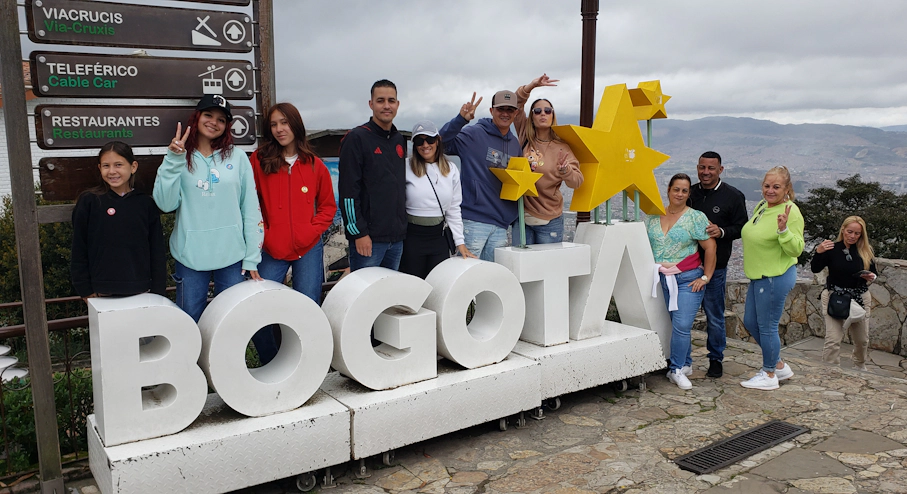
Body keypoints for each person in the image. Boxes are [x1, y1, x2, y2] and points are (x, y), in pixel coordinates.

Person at [153, 94, 263, 325]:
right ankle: (191, 363)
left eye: (221, 119)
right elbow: (165, 203)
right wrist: (174, 159)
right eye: (208, 115)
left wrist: (252, 257)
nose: (214, 122)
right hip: (190, 255)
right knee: (189, 320)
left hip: (232, 256)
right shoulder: (179, 156)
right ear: (197, 117)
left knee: (230, 321)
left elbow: (250, 208)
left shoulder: (238, 157)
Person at [251, 103, 336, 364]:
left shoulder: (315, 165)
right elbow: (249, 204)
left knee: (308, 308)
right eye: (274, 124)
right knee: (259, 309)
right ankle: (273, 362)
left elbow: (328, 207)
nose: (279, 129)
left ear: (296, 125)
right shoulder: (258, 160)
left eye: (284, 123)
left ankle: (305, 363)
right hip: (270, 249)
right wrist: (264, 233)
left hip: (308, 248)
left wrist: (310, 231)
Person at [645, 173, 716, 390]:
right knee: (675, 325)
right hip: (661, 280)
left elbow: (710, 247)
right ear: (668, 190)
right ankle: (685, 363)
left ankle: (675, 369)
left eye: (685, 190)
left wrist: (706, 277)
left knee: (682, 325)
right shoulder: (653, 215)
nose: (680, 194)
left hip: (687, 278)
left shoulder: (696, 217)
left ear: (689, 193)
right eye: (676, 189)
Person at [71, 141, 166, 301]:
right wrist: (84, 289)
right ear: (99, 168)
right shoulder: (90, 202)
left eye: (118, 165)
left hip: (141, 290)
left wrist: (158, 290)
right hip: (101, 291)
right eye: (106, 166)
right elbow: (79, 247)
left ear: (133, 167)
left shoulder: (145, 203)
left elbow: (156, 250)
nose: (112, 171)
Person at [739, 166, 804, 391]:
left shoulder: (790, 211)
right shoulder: (762, 206)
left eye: (776, 186)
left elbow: (797, 249)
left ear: (787, 189)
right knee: (750, 322)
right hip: (759, 276)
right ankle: (779, 366)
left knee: (767, 326)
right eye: (767, 186)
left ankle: (769, 374)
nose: (770, 190)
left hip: (774, 276)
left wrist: (783, 230)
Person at [440, 90, 523, 261]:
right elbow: (440, 143)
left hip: (500, 225)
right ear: (492, 111)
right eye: (501, 109)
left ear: (516, 113)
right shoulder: (474, 134)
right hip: (474, 221)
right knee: (468, 277)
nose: (505, 114)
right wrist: (460, 120)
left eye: (510, 110)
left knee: (490, 279)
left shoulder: (515, 144)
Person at [690, 151, 748, 378]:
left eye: (711, 168)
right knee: (682, 315)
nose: (706, 172)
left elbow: (742, 227)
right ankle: (679, 358)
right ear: (697, 168)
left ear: (720, 170)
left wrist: (721, 231)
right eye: (702, 167)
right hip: (688, 264)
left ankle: (715, 359)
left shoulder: (733, 196)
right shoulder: (690, 193)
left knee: (714, 315)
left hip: (717, 267)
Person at [338, 79, 407, 271]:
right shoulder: (356, 138)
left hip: (397, 239)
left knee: (389, 297)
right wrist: (358, 233)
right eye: (380, 100)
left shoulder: (399, 139)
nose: (386, 106)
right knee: (365, 296)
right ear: (371, 104)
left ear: (398, 104)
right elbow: (348, 191)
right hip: (368, 240)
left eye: (391, 100)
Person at [400, 121, 476, 278]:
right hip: (412, 237)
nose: (425, 145)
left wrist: (459, 242)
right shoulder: (405, 167)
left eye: (430, 139)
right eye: (420, 141)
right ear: (414, 145)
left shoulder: (451, 169)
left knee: (438, 285)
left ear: (437, 141)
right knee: (413, 285)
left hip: (438, 237)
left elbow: (454, 208)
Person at [513, 74, 583, 243]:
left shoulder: (562, 147)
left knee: (548, 267)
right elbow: (516, 103)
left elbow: (577, 181)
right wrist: (531, 86)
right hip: (521, 216)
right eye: (537, 111)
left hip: (549, 219)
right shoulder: (524, 136)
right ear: (532, 116)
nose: (542, 114)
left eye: (547, 111)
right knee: (521, 267)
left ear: (553, 115)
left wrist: (566, 171)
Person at [811, 216, 877, 371]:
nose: (853, 236)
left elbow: (873, 273)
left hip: (859, 298)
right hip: (835, 296)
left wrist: (870, 277)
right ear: (843, 230)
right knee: (833, 338)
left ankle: (859, 365)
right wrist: (819, 252)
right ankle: (830, 369)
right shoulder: (832, 249)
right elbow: (815, 268)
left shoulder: (865, 252)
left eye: (857, 233)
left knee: (862, 339)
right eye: (850, 232)